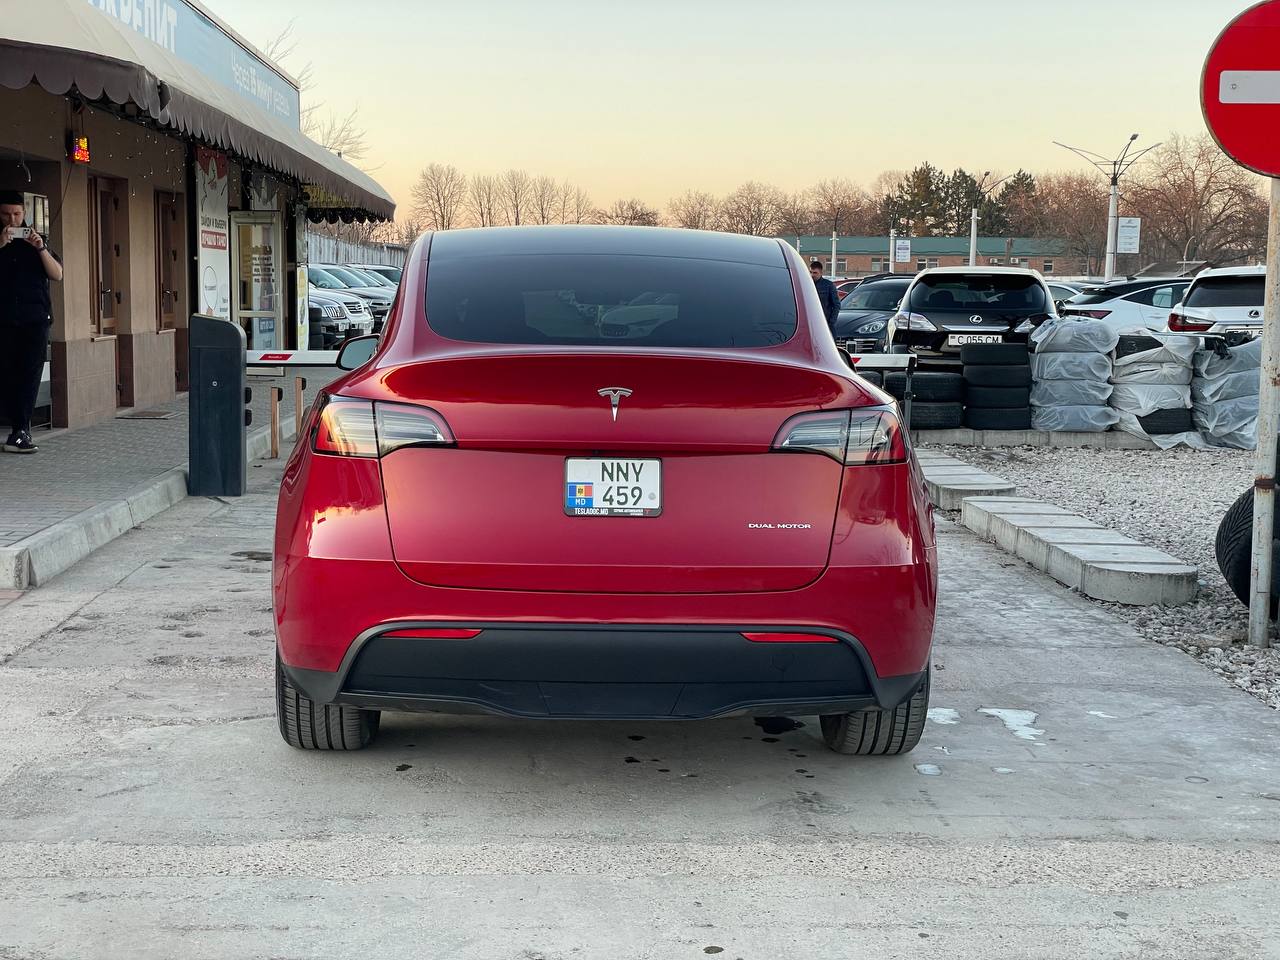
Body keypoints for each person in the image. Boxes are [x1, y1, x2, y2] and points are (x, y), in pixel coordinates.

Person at [0, 190, 62, 453]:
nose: (12, 220)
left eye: (16, 214)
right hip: (3, 321)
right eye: (6, 214)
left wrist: (41, 248)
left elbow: (57, 274)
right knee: (6, 374)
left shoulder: (36, 241)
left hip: (35, 320)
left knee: (29, 374)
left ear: (24, 213)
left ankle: (20, 431)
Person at [810, 260, 841, 328]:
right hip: (810, 322)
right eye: (811, 272)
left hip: (825, 323)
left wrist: (831, 322)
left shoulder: (828, 285)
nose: (812, 275)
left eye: (815, 273)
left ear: (821, 273)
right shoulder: (806, 284)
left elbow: (836, 305)